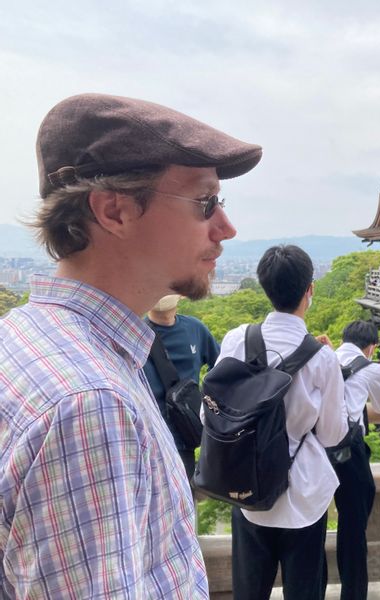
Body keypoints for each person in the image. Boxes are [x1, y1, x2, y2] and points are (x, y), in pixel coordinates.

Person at [0, 93, 261, 598]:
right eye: (206, 202)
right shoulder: (89, 405)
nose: (226, 228)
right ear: (115, 210)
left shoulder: (27, 337)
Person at [220, 244, 348, 600]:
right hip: (304, 495)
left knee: (249, 590)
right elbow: (332, 434)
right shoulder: (323, 358)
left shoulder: (237, 340)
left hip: (247, 488)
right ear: (310, 289)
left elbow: (210, 413)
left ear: (264, 286)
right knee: (305, 591)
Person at [332, 320, 380, 600]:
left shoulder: (326, 359)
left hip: (317, 450)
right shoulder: (370, 369)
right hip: (349, 453)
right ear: (371, 347)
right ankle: (353, 592)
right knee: (353, 525)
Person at [143, 293, 220, 479]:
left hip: (184, 438)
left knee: (184, 504)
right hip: (149, 441)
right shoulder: (136, 334)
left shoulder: (195, 329)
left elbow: (221, 368)